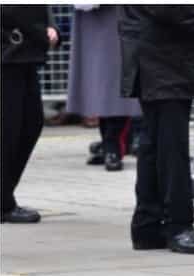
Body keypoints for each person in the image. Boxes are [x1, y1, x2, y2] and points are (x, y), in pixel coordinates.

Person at [119, 6, 194, 254]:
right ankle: (177, 225)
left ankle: (148, 225)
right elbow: (171, 8)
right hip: (163, 57)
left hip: (157, 54)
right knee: (170, 147)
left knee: (155, 144)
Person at [1, 6, 60, 224]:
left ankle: (4, 197)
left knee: (29, 124)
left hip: (22, 54)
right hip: (8, 52)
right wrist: (41, 32)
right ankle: (3, 201)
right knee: (9, 130)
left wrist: (51, 26)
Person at [66, 5, 142, 172]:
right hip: (91, 14)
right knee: (98, 82)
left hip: (120, 11)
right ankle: (110, 143)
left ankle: (113, 144)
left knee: (115, 81)